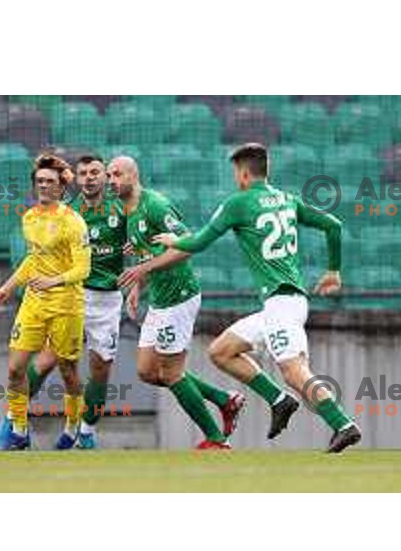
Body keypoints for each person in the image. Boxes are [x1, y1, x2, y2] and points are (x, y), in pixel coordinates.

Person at [152, 143, 361, 453]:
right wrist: (333, 270)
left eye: (236, 171)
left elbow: (198, 242)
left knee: (294, 371)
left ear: (244, 172)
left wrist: (174, 240)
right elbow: (333, 225)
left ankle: (343, 424)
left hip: (280, 305)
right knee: (222, 351)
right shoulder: (287, 200)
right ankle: (279, 401)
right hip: (288, 302)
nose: (235, 177)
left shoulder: (238, 203)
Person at [113, 156, 245, 450]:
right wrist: (138, 286)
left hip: (179, 296)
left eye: (117, 174)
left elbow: (187, 245)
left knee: (171, 373)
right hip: (159, 298)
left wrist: (141, 270)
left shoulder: (156, 205)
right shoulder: (129, 212)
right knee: (148, 371)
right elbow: (149, 253)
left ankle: (216, 439)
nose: (111, 180)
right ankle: (225, 400)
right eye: (109, 174)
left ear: (134, 175)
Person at [23, 155, 128, 449]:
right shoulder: (67, 214)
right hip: (73, 294)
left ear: (106, 177)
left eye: (95, 172)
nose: (90, 177)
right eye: (83, 173)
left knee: (100, 370)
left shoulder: (121, 210)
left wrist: (137, 277)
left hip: (107, 301)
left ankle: (86, 431)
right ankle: (15, 420)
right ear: (76, 179)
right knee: (45, 360)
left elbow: (142, 243)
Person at [0, 154, 91, 451]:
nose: (44, 186)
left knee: (69, 372)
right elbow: (33, 258)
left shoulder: (73, 222)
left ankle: (73, 426)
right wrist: (8, 287)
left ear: (61, 188)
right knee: (15, 369)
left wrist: (54, 281)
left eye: (50, 181)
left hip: (66, 304)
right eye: (40, 181)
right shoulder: (29, 218)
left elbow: (82, 269)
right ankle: (20, 430)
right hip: (34, 302)